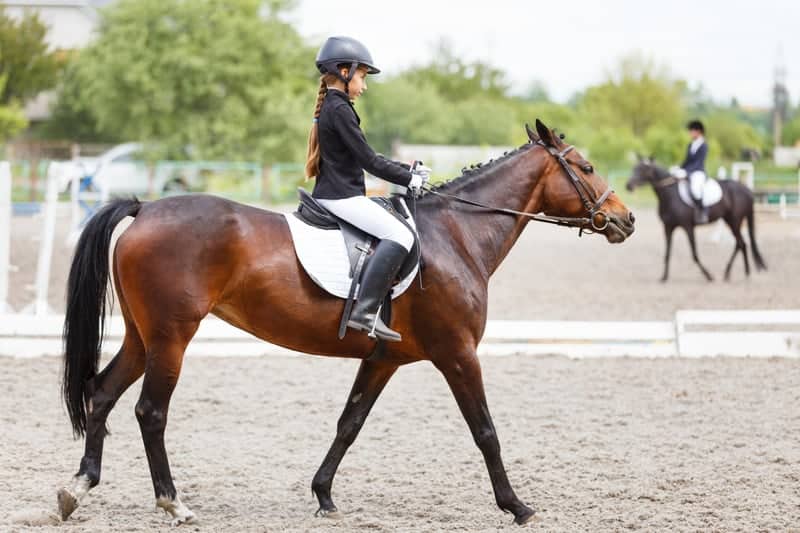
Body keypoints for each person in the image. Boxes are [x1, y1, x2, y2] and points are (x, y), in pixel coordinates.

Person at [304, 36, 430, 342]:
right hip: (341, 196)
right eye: (362, 76)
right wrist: (408, 180)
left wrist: (406, 170)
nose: (365, 84)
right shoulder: (339, 109)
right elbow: (369, 161)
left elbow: (367, 154)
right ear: (344, 72)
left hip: (338, 193)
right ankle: (366, 313)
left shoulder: (334, 107)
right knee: (399, 234)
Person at [671, 119, 709, 223]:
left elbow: (698, 162)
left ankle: (703, 211)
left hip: (698, 172)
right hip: (689, 170)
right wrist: (679, 168)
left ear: (698, 131)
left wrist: (686, 172)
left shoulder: (704, 145)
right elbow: (687, 161)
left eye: (691, 131)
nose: (690, 133)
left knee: (695, 189)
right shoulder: (691, 144)